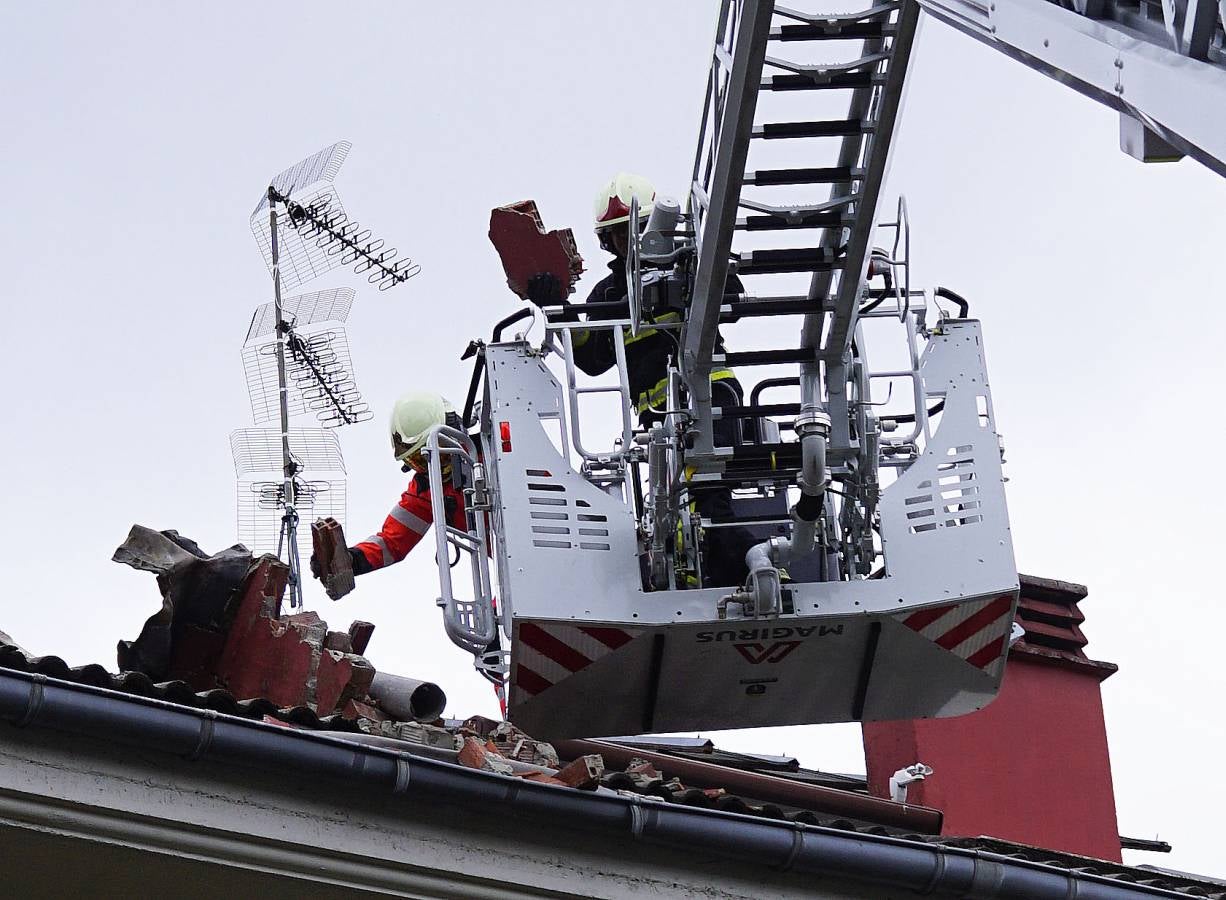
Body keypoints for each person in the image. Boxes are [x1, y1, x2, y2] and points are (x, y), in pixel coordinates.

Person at [524, 172, 756, 588]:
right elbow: (592, 359)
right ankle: (713, 571)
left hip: (710, 395)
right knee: (677, 502)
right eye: (616, 234)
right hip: (656, 419)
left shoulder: (691, 263)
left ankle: (749, 568)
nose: (626, 240)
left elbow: (732, 298)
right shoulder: (606, 294)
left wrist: (693, 268)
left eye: (634, 228)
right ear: (606, 241)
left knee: (708, 493)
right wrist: (557, 307)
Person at [311, 391, 467, 580]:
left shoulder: (493, 454)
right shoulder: (426, 490)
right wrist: (351, 559)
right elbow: (391, 541)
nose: (433, 466)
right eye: (419, 460)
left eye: (439, 452)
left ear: (452, 433)